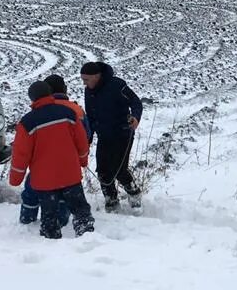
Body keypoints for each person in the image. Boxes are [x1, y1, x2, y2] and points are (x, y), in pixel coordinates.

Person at [10, 80, 94, 239]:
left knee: (49, 216)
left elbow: (20, 154)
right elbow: (82, 141)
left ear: (32, 98)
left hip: (44, 181)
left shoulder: (27, 123)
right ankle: (87, 236)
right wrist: (83, 161)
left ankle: (51, 240)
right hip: (70, 174)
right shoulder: (68, 113)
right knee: (80, 209)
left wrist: (15, 179)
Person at [80, 60, 143, 211]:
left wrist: (135, 117)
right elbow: (91, 116)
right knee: (103, 171)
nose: (84, 83)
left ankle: (134, 194)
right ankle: (111, 201)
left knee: (120, 170)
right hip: (104, 135)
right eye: (83, 79)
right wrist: (88, 138)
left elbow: (136, 102)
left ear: (96, 76)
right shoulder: (88, 91)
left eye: (86, 79)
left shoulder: (117, 85)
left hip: (123, 133)